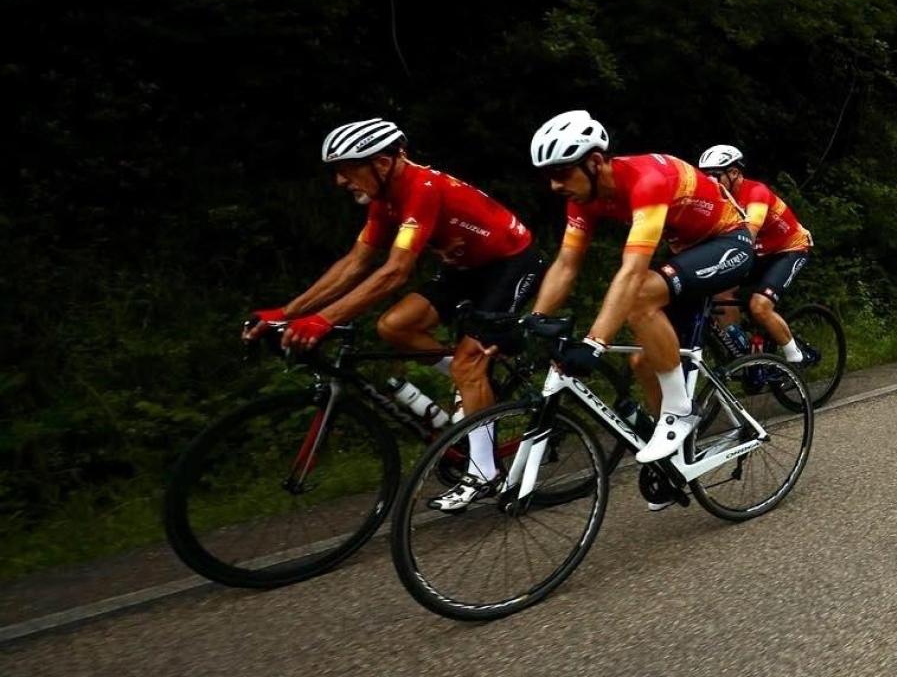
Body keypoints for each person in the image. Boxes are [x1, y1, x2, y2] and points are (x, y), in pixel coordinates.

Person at [247, 119, 544, 512]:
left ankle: (485, 470)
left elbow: (395, 272)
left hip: (511, 263)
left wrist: (324, 320)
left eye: (346, 168)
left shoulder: (420, 189)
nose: (339, 180)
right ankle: (474, 377)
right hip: (465, 269)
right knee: (394, 326)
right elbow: (356, 263)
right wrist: (286, 313)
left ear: (383, 162)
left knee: (468, 363)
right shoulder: (384, 200)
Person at [527, 110, 754, 484]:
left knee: (639, 296)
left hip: (729, 242)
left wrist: (594, 343)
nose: (553, 186)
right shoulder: (581, 198)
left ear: (595, 162)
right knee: (642, 363)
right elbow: (566, 263)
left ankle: (679, 412)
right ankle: (678, 462)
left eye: (560, 173)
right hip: (687, 251)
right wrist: (533, 321)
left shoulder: (646, 181)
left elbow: (632, 272)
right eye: (548, 176)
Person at [697, 145, 814, 364]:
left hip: (788, 249)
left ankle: (797, 357)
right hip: (758, 254)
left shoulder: (755, 192)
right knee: (720, 296)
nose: (709, 182)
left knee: (760, 306)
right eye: (705, 176)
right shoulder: (719, 198)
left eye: (715, 175)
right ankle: (744, 356)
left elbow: (750, 231)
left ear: (734, 173)